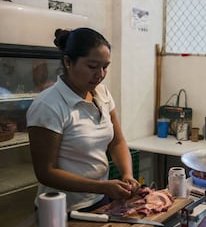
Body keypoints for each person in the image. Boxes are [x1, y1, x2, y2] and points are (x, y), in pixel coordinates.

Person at [26, 27, 139, 211]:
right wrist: (100, 186)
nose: (100, 74)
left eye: (105, 67)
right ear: (68, 62)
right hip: (63, 208)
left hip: (100, 200)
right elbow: (46, 172)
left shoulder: (101, 93)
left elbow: (117, 142)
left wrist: (127, 174)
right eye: (92, 67)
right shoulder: (48, 105)